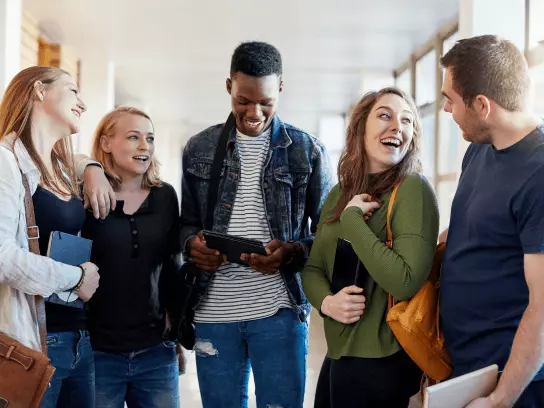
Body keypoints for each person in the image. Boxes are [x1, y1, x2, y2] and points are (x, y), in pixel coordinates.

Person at [181, 41, 331, 407]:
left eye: (266, 102)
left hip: (280, 311)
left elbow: (328, 235)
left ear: (280, 88)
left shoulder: (307, 151)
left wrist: (292, 251)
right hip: (213, 312)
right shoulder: (199, 148)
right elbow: (186, 224)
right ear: (229, 85)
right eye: (243, 100)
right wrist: (192, 246)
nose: (254, 112)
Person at [302, 87, 439, 408]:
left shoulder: (413, 190)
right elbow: (313, 269)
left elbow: (404, 282)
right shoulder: (339, 193)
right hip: (338, 355)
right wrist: (326, 303)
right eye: (385, 115)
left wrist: (353, 223)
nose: (397, 126)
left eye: (407, 121)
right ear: (361, 127)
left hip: (382, 360)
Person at [439, 35, 544, 408]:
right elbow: (472, 231)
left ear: (482, 105)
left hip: (514, 383)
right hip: (467, 369)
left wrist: (501, 399)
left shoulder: (539, 173)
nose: (446, 110)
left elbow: (543, 305)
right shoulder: (479, 150)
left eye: (449, 100)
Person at [0, 66, 100, 408]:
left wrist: (92, 167)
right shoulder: (4, 162)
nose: (83, 104)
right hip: (32, 346)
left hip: (78, 340)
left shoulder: (58, 168)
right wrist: (77, 278)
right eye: (73, 90)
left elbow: (75, 160)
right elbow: (1, 257)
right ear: (39, 91)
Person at [80, 106, 181, 408]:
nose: (144, 146)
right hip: (98, 353)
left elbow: (170, 268)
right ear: (107, 143)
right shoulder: (83, 195)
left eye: (149, 138)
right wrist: (89, 168)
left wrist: (176, 335)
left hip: (155, 351)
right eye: (133, 137)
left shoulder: (165, 196)